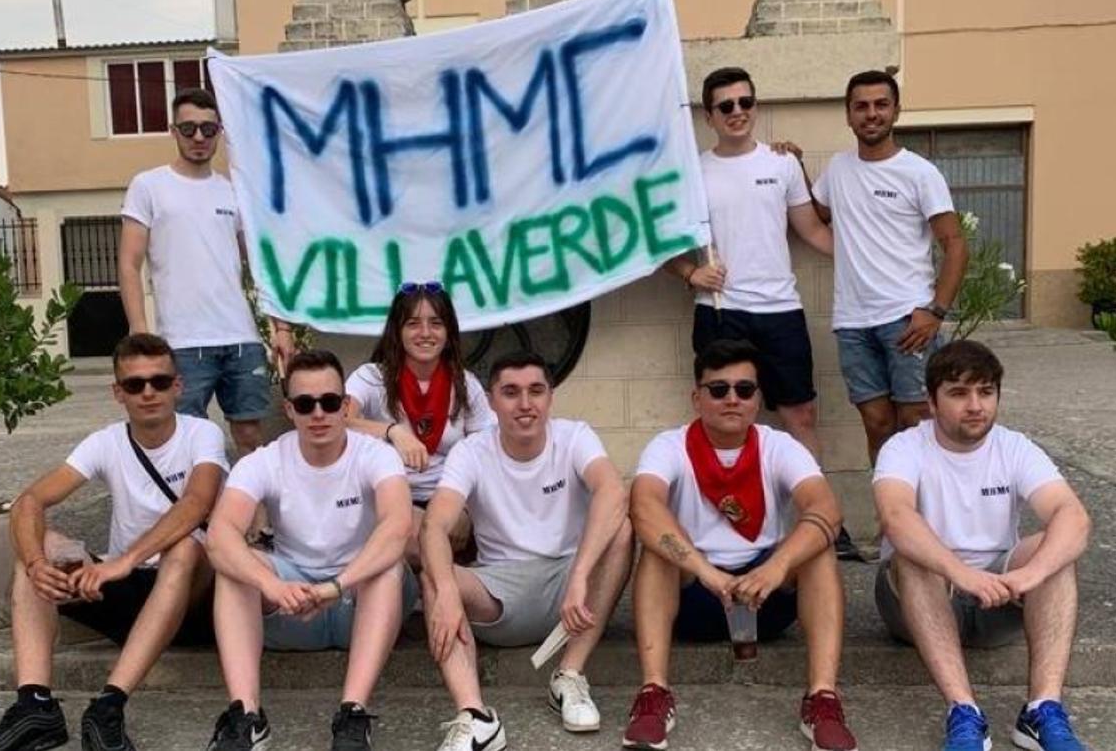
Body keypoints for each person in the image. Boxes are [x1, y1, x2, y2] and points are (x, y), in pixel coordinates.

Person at [0, 333, 226, 751]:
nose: (148, 393)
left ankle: (108, 706)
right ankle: (35, 705)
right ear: (117, 392)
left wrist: (124, 560)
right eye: (134, 384)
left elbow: (197, 503)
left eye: (159, 382)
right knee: (42, 547)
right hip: (127, 587)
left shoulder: (202, 434)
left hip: (192, 596)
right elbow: (29, 501)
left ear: (178, 386)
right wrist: (36, 562)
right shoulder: (106, 441)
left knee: (185, 547)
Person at [667, 66, 866, 561]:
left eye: (746, 102)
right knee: (721, 417)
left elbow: (814, 233)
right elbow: (658, 242)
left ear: (755, 106)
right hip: (720, 312)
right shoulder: (693, 171)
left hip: (780, 309)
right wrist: (690, 274)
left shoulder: (782, 165)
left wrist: (874, 253)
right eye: (726, 106)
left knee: (800, 414)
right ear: (710, 115)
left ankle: (820, 522)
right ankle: (725, 522)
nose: (738, 113)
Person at [622, 339, 857, 751]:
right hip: (697, 595)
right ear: (697, 398)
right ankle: (653, 694)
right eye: (718, 389)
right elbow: (643, 507)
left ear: (757, 398)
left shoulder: (778, 446)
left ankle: (822, 698)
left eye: (744, 389)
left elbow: (826, 510)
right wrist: (704, 570)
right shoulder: (669, 445)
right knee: (657, 547)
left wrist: (777, 567)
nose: (732, 399)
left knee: (818, 546)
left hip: (764, 596)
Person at [873, 340, 1091, 751]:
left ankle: (1041, 711)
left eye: (986, 392)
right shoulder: (903, 448)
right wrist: (960, 572)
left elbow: (1073, 515)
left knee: (1055, 550)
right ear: (932, 403)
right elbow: (896, 518)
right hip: (920, 601)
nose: (975, 405)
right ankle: (964, 713)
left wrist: (1032, 572)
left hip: (997, 599)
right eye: (959, 393)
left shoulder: (1014, 446)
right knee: (913, 557)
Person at [420, 351, 633, 751]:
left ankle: (568, 675)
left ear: (550, 396)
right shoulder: (472, 450)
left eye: (536, 391)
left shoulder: (573, 435)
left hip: (570, 586)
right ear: (491, 400)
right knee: (434, 573)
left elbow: (611, 490)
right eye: (511, 392)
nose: (525, 403)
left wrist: (582, 575)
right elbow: (434, 524)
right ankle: (476, 717)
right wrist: (447, 592)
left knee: (621, 528)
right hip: (501, 589)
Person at [203, 349, 414, 751]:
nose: (318, 413)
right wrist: (272, 584)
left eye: (330, 402)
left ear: (346, 405)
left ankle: (353, 715)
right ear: (289, 409)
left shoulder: (377, 455)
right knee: (234, 567)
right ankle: (246, 717)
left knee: (387, 565)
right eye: (305, 404)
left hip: (360, 598)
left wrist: (337, 585)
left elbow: (397, 526)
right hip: (293, 603)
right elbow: (220, 535)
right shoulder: (265, 460)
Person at [118, 87, 293, 457]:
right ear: (173, 130)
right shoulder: (148, 186)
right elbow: (129, 264)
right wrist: (138, 330)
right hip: (182, 341)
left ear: (220, 133)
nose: (199, 137)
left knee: (250, 439)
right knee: (184, 442)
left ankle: (255, 516)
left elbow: (261, 268)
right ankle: (195, 514)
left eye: (208, 129)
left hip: (240, 339)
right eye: (189, 128)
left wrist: (281, 327)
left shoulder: (234, 192)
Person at [812, 70, 968, 466]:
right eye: (861, 106)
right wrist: (791, 162)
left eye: (881, 104)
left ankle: (924, 517)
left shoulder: (919, 172)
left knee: (916, 421)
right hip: (852, 322)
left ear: (896, 111)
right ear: (848, 115)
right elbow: (817, 212)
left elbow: (954, 244)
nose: (871, 114)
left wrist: (935, 311)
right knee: (877, 423)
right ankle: (891, 514)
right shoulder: (838, 169)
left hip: (906, 320)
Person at [345, 282, 495, 565]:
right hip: (391, 497)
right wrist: (393, 431)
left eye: (436, 323)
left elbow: (486, 451)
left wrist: (465, 506)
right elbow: (337, 422)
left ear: (448, 332)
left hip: (449, 498)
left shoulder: (466, 384)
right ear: (397, 331)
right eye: (413, 323)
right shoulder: (372, 377)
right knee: (418, 532)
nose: (425, 333)